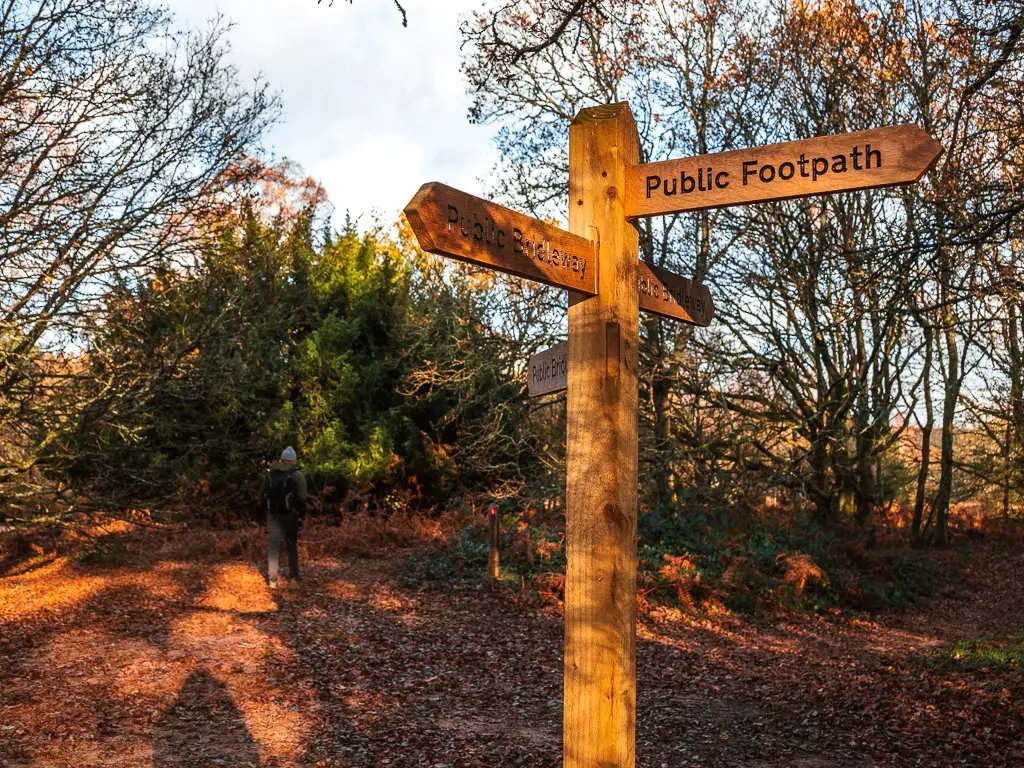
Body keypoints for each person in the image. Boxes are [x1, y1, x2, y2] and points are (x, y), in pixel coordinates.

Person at [259, 446, 308, 588]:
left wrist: (266, 511)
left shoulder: (269, 475)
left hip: (272, 514)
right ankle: (293, 576)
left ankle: (273, 579)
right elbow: (302, 497)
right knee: (291, 543)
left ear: (282, 459)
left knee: (273, 544)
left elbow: (261, 495)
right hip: (289, 515)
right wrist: (300, 514)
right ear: (293, 461)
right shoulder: (297, 475)